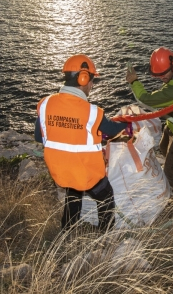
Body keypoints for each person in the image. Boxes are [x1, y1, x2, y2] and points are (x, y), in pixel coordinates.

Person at [35, 54, 132, 231]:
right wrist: (127, 123)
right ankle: (105, 234)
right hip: (87, 172)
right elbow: (111, 130)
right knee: (106, 198)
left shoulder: (45, 104)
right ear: (83, 78)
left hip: (60, 170)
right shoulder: (92, 112)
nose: (92, 86)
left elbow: (39, 136)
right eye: (92, 81)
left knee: (73, 193)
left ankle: (67, 230)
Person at [125, 47, 173, 197]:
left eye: (163, 74)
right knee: (163, 146)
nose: (161, 78)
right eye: (158, 75)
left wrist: (134, 82)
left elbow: (147, 101)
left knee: (170, 170)